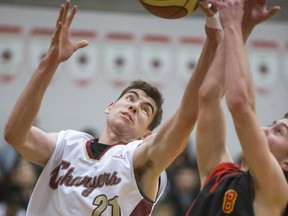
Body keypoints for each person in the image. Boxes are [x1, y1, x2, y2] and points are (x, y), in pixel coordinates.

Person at [4, 0, 222, 215]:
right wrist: (49, 63)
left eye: (146, 109)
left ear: (146, 135)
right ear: (110, 106)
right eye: (130, 98)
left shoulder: (139, 161)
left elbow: (186, 117)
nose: (135, 106)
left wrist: (213, 41)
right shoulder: (67, 144)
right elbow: (15, 134)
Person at [186, 0, 288, 215]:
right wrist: (243, 28)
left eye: (279, 132)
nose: (262, 129)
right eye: (271, 125)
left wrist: (232, 24)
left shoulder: (276, 191)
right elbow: (209, 96)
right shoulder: (221, 176)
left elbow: (240, 104)